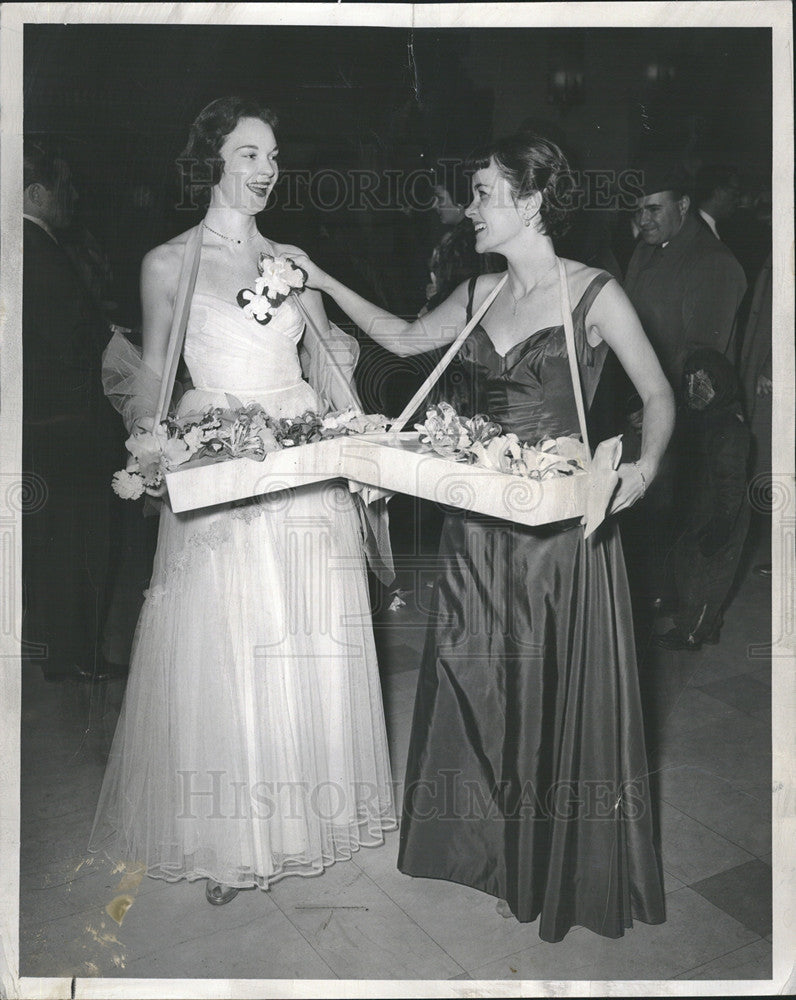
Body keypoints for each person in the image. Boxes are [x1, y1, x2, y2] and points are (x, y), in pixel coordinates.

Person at [297, 130, 674, 942]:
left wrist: (637, 473)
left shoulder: (596, 293)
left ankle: (541, 863)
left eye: (482, 194)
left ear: (531, 203)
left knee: (541, 689)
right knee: (475, 683)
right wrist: (319, 280)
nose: (470, 210)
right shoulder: (478, 293)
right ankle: (483, 851)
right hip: (476, 525)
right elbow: (399, 338)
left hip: (560, 539)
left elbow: (659, 395)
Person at [89, 97, 396, 905]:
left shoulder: (290, 259)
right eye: (250, 153)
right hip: (224, 462)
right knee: (230, 636)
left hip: (301, 460)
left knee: (303, 629)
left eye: (272, 156)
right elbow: (153, 375)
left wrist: (356, 438)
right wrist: (156, 436)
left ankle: (309, 816)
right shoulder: (169, 263)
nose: (266, 170)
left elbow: (330, 366)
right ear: (214, 159)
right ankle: (231, 838)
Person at [622, 161, 747, 610]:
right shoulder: (646, 251)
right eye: (638, 211)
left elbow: (702, 360)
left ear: (684, 205)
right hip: (641, 403)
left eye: (654, 209)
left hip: (689, 412)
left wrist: (658, 400)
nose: (644, 220)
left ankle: (674, 606)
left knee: (676, 514)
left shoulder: (713, 262)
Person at [22, 140, 116, 682]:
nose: (73, 197)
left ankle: (65, 650)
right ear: (37, 192)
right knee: (78, 538)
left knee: (56, 542)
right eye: (66, 187)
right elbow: (66, 341)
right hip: (65, 422)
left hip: (43, 420)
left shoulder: (33, 246)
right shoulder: (38, 249)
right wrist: (110, 339)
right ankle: (75, 657)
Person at [654, 350, 751, 650]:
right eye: (690, 382)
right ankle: (694, 614)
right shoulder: (699, 419)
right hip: (699, 512)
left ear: (720, 387)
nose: (695, 391)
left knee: (708, 581)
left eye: (704, 384)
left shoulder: (730, 430)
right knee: (687, 570)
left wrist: (721, 527)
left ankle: (694, 631)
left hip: (723, 517)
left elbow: (731, 486)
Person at [694, 164, 742, 241]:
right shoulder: (696, 232)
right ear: (719, 193)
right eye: (735, 194)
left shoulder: (722, 230)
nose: (738, 201)